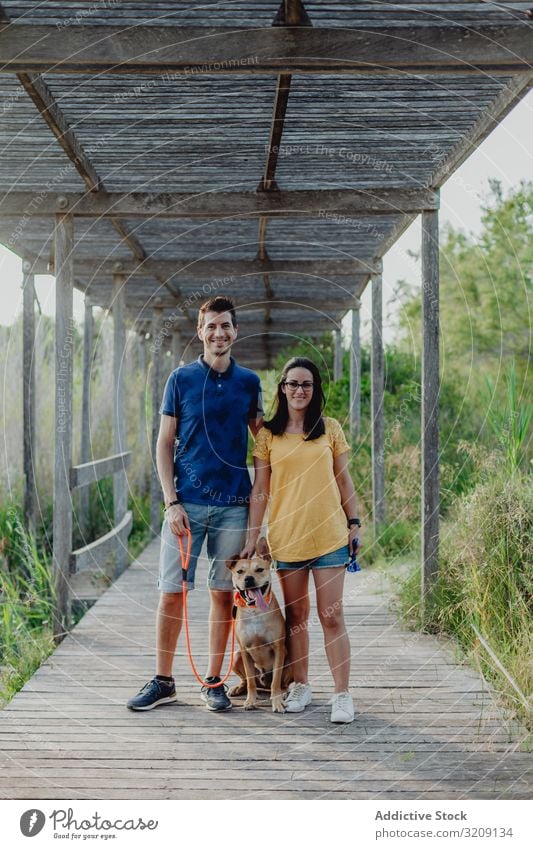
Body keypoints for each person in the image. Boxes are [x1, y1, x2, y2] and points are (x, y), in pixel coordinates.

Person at [127, 296, 263, 712]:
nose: (218, 333)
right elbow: (164, 442)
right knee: (173, 592)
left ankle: (214, 680)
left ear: (235, 332)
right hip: (186, 504)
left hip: (233, 506)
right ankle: (164, 680)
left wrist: (261, 517)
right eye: (211, 326)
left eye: (226, 326)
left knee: (224, 594)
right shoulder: (180, 379)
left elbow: (265, 446)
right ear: (200, 332)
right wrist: (171, 502)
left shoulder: (249, 383)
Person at [240, 356, 362, 723]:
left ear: (315, 389)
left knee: (333, 616)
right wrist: (253, 536)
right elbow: (260, 489)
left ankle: (342, 694)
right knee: (296, 616)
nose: (298, 390)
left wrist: (355, 522)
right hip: (287, 538)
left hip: (328, 536)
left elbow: (344, 480)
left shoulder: (330, 429)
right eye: (292, 383)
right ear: (282, 388)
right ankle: (302, 685)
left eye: (306, 384)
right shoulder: (268, 436)